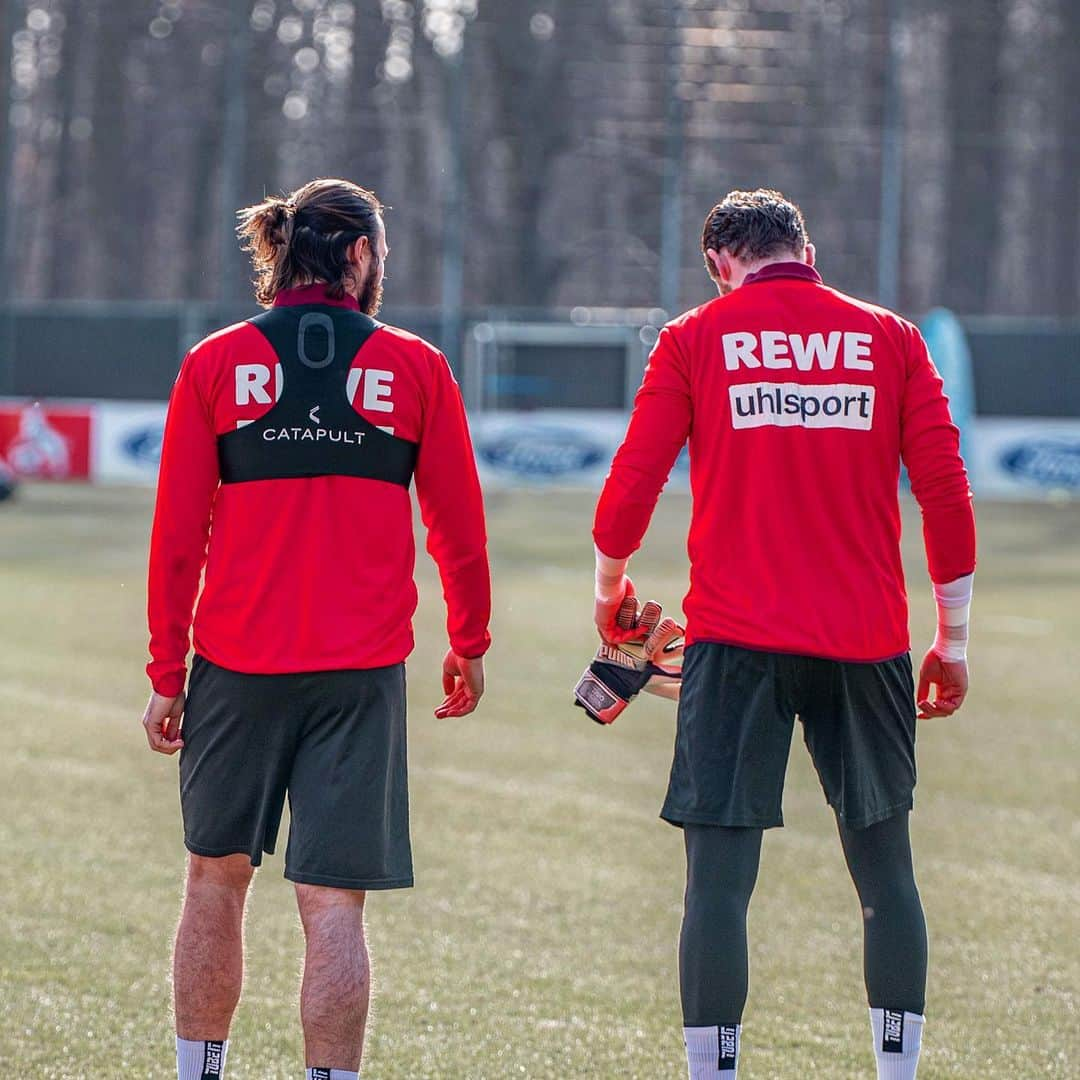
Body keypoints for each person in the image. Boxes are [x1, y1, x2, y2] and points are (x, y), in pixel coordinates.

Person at [591, 189, 975, 1080]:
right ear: (806, 247)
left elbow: (630, 488)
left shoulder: (696, 337)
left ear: (723, 266)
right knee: (886, 878)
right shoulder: (892, 339)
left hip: (735, 645)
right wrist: (951, 642)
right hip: (865, 642)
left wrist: (611, 592)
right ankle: (896, 1071)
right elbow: (947, 498)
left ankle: (714, 1071)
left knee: (718, 884)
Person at [142, 178, 491, 1080]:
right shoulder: (413, 366)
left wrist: (167, 673)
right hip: (360, 672)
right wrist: (470, 641)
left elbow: (179, 537)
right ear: (361, 255)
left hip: (235, 665)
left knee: (215, 882)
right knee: (333, 905)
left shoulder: (215, 363)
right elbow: (456, 523)